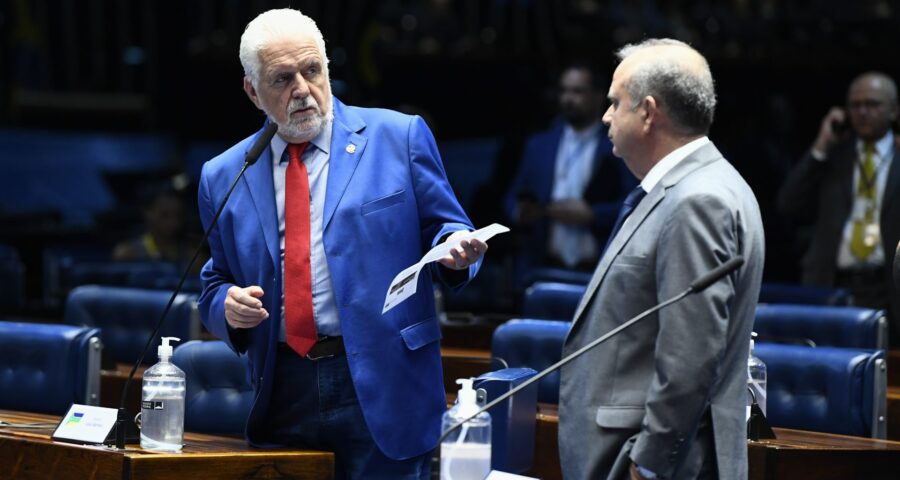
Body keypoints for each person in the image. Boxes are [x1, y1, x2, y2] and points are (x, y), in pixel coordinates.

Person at [196, 9, 487, 479]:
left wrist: (455, 249)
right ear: (253, 91)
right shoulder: (224, 174)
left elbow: (449, 227)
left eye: (312, 71)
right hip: (284, 386)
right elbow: (214, 282)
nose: (303, 90)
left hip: (383, 380)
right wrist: (226, 307)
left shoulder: (399, 136)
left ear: (328, 68)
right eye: (283, 79)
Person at [558, 39, 764, 480]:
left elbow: (690, 355)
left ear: (648, 112)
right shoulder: (700, 185)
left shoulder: (699, 199)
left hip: (660, 464)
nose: (605, 117)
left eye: (615, 103)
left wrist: (647, 465)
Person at [778, 72, 900, 345]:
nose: (863, 112)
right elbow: (789, 204)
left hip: (888, 288)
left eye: (872, 104)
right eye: (855, 105)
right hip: (835, 286)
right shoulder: (834, 157)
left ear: (894, 110)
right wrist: (821, 146)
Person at [504, 62, 636, 285]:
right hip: (545, 265)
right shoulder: (540, 145)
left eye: (577, 91)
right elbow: (512, 197)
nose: (568, 98)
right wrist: (522, 212)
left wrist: (593, 215)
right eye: (563, 91)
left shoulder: (617, 145)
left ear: (596, 96)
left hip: (597, 270)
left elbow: (633, 203)